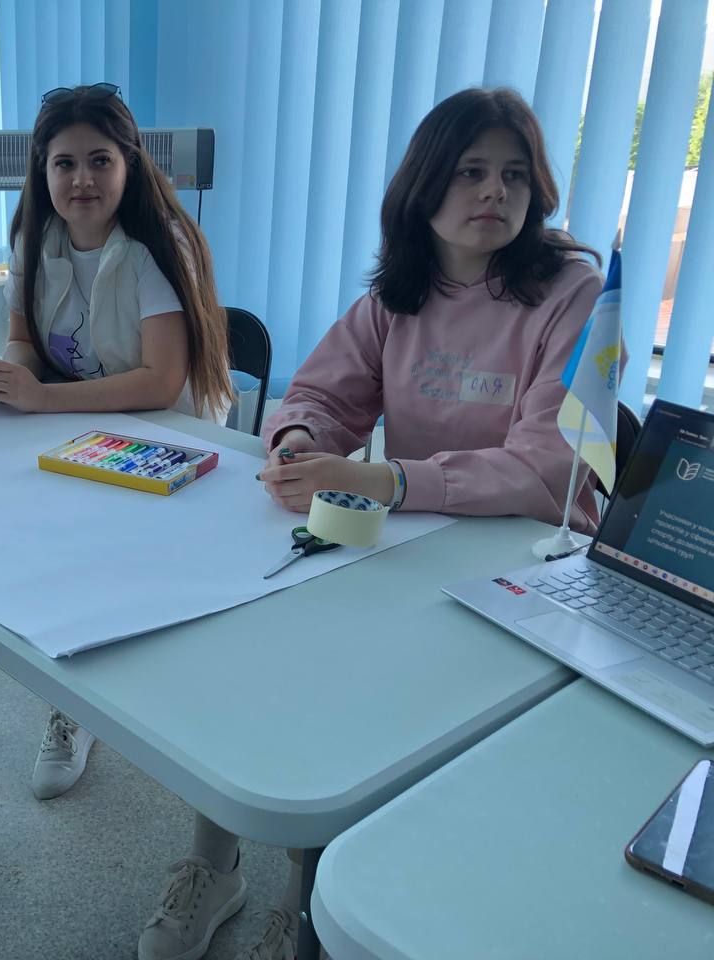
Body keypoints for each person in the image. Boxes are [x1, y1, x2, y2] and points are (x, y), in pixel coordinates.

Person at [137, 87, 608, 960]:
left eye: (514, 175)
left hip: (529, 564)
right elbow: (320, 393)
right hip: (420, 541)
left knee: (365, 718)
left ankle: (308, 901)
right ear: (423, 188)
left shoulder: (571, 289)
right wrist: (297, 440)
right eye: (471, 171)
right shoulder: (401, 289)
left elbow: (551, 468)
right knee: (251, 648)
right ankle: (214, 861)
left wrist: (388, 480)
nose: (495, 191)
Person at [0, 82, 235, 803]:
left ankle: (158, 703)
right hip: (82, 426)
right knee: (62, 562)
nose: (81, 179)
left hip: (172, 438)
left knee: (137, 576)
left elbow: (161, 382)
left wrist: (42, 397)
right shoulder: (33, 240)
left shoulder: (158, 247)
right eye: (65, 163)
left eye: (100, 161)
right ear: (42, 169)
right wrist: (5, 374)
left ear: (129, 165)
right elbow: (24, 340)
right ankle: (75, 705)